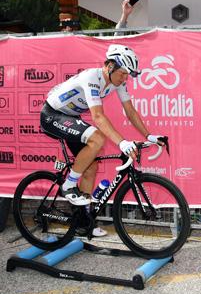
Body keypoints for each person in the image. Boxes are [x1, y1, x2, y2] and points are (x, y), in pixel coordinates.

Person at [40, 44, 165, 237]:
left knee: (91, 167)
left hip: (71, 118)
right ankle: (68, 185)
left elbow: (130, 111)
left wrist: (148, 135)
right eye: (123, 73)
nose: (124, 79)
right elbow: (98, 117)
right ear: (110, 66)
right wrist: (122, 142)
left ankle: (83, 222)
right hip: (52, 115)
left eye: (127, 75)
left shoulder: (118, 82)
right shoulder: (91, 77)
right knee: (97, 138)